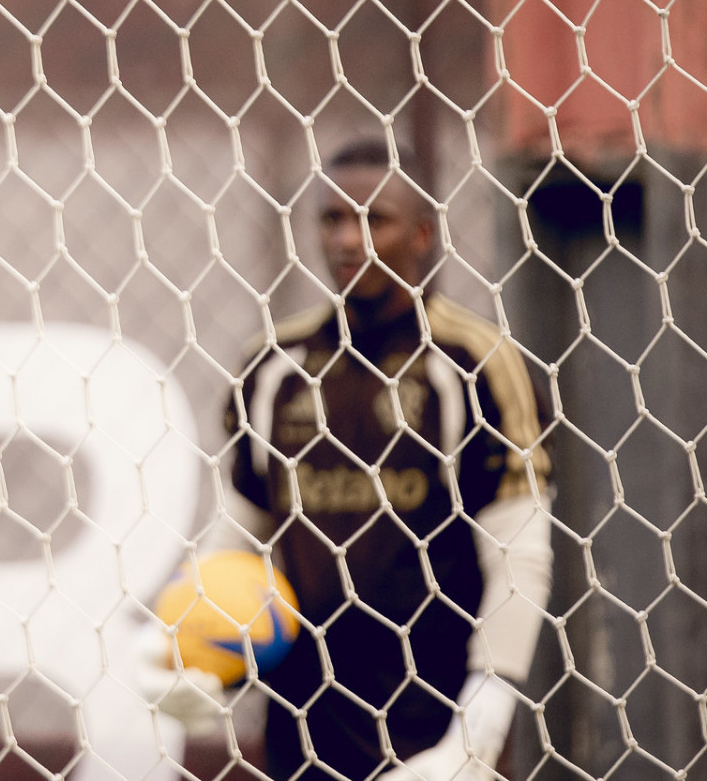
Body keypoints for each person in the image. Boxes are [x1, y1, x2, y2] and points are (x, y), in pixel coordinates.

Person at [139, 139, 554, 781]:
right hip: (303, 729)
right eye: (332, 219)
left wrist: (481, 724)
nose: (348, 240)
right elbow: (242, 536)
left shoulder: (473, 364)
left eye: (373, 219)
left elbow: (518, 554)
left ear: (421, 235)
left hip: (433, 729)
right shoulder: (275, 366)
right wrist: (191, 654)